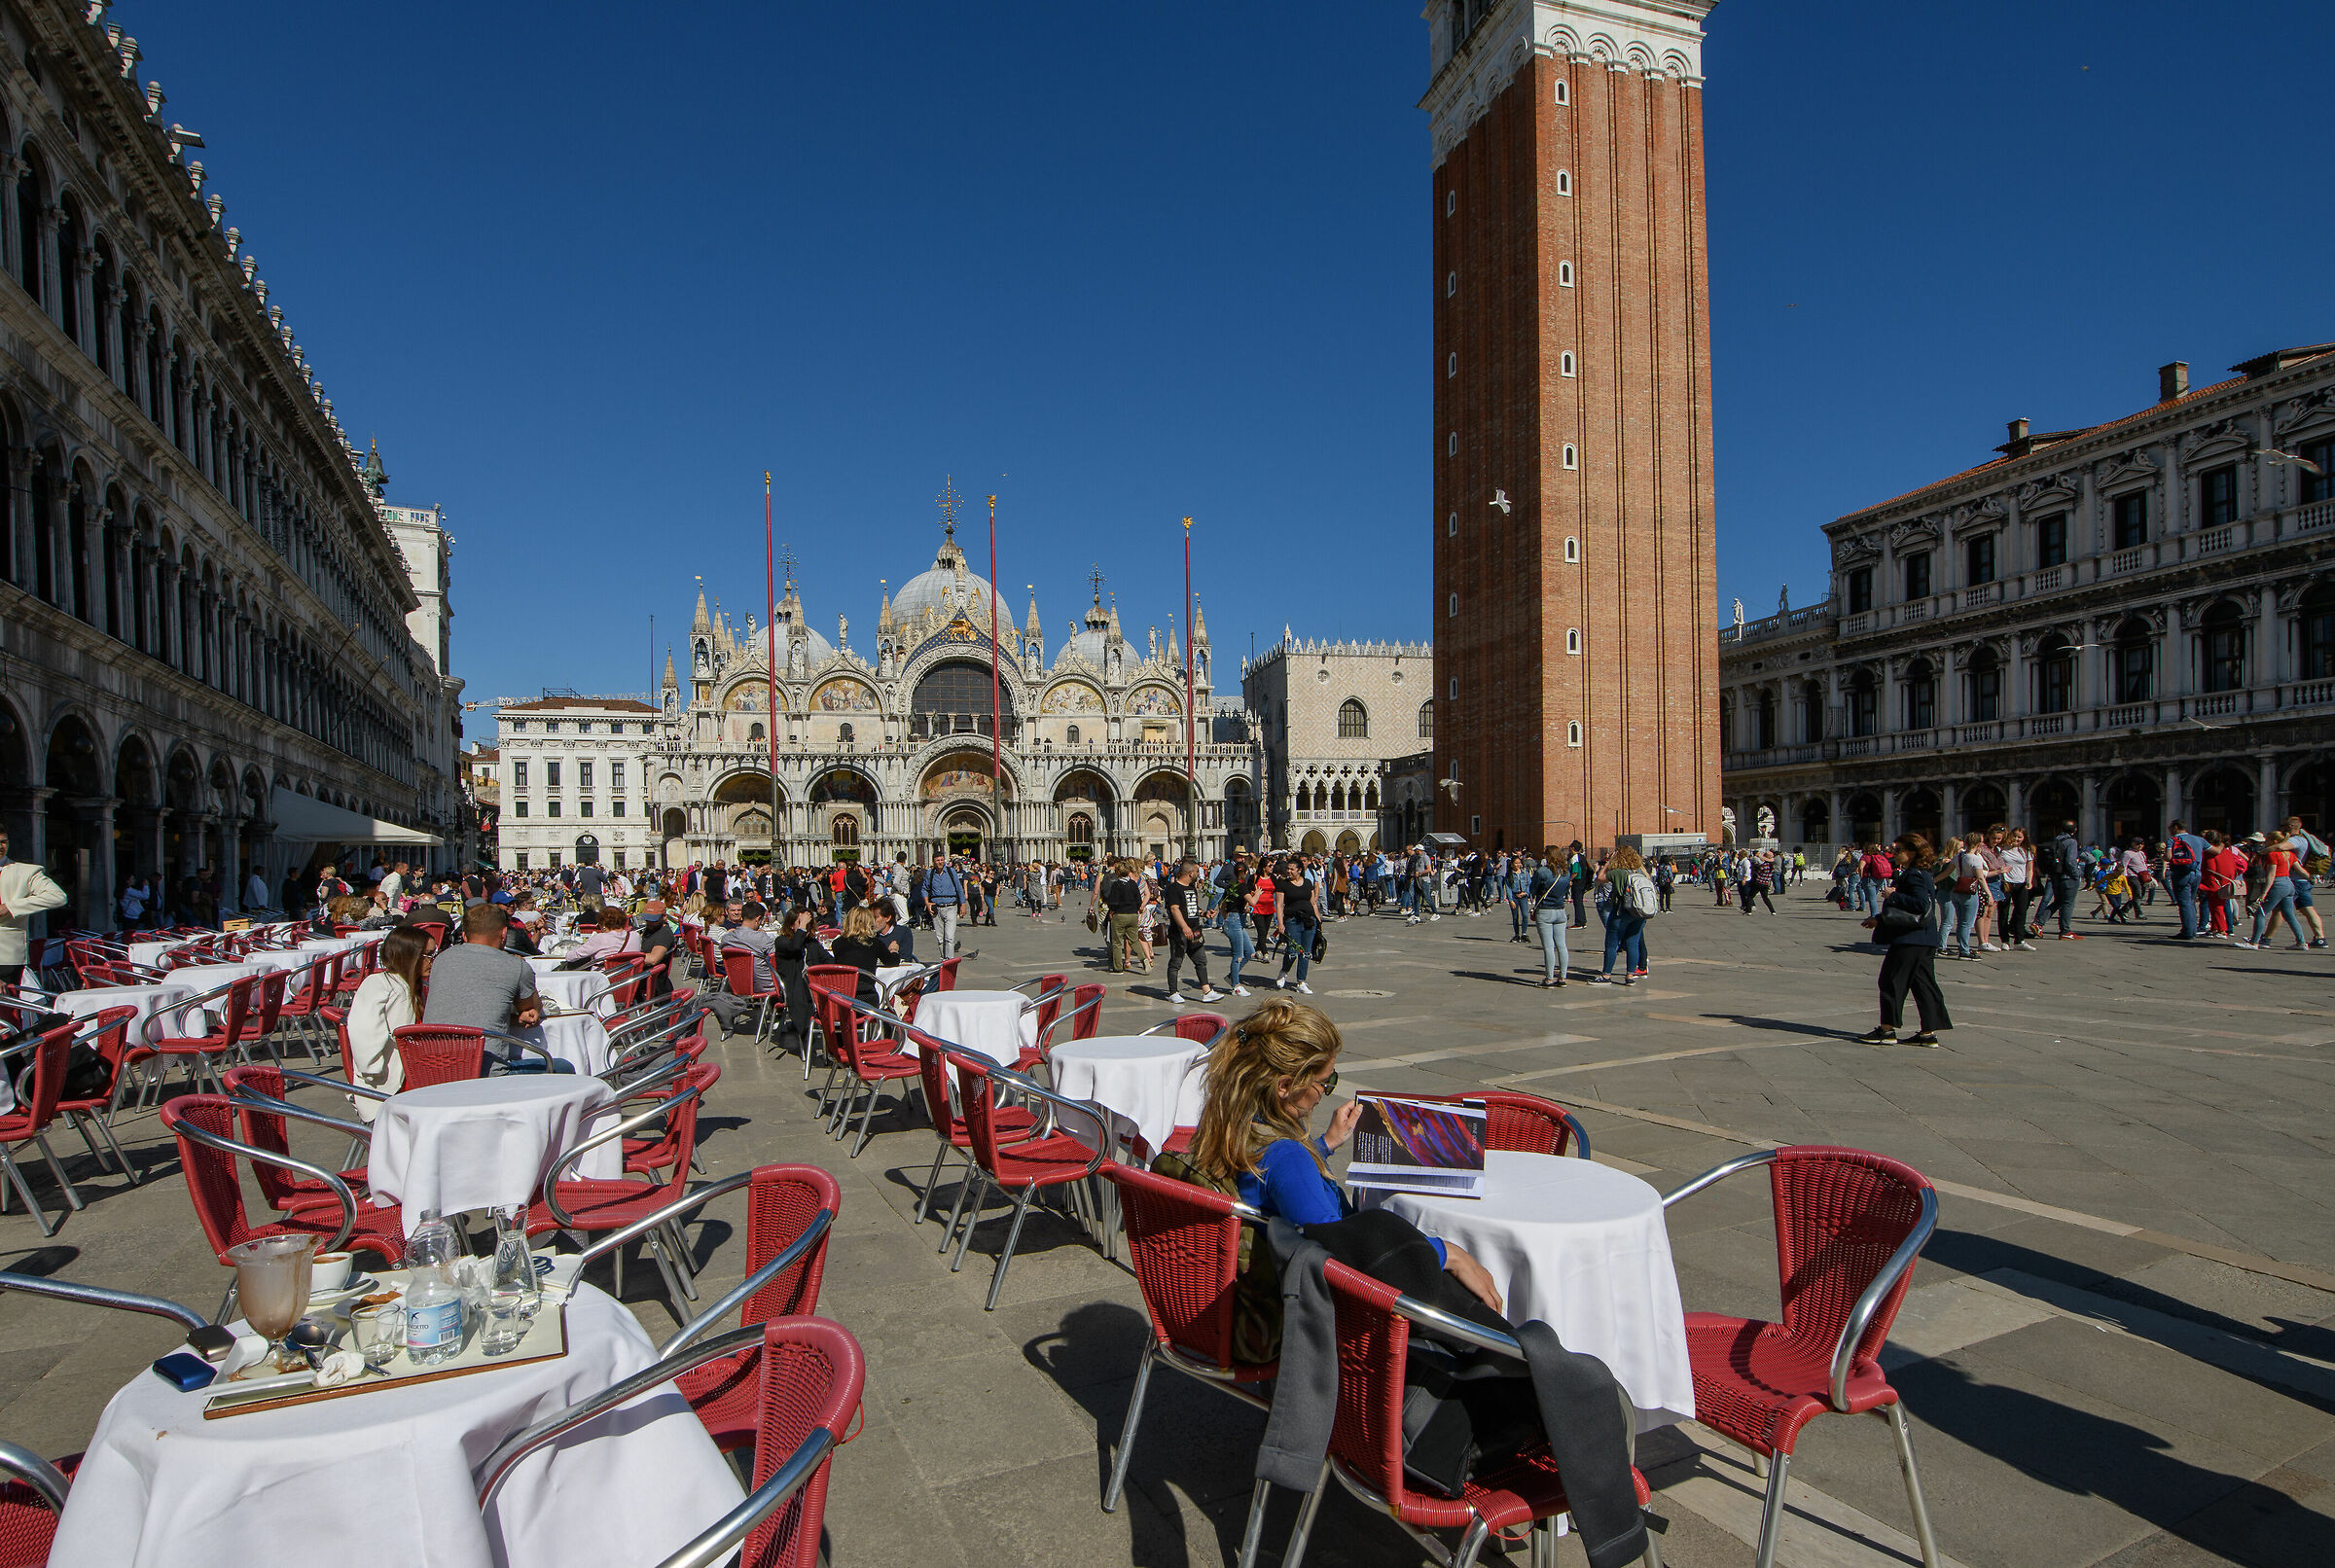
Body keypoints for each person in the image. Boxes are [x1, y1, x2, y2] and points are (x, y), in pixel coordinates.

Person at [1186, 999, 1501, 1313]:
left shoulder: (1229, 1123)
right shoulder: (1284, 1155)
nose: (1326, 1092)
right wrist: (1446, 1253)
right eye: (1324, 1082)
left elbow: (1276, 1183)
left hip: (1245, 1294)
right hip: (1330, 1315)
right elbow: (1347, 1257)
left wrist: (1324, 1145)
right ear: (1284, 1085)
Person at [420, 905, 544, 1070]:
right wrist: (524, 971)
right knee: (564, 1067)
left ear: (464, 935)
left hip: (434, 1069)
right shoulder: (515, 966)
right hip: (485, 1072)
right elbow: (531, 1010)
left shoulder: (441, 960)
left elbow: (465, 1008)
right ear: (504, 934)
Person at [1859, 833, 1951, 1047]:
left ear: (1912, 852)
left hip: (1911, 940)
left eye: (1899, 850)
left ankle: (1887, 1030)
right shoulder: (1921, 873)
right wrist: (1879, 919)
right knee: (1923, 985)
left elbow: (1920, 906)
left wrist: (1893, 895)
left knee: (1890, 980)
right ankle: (1928, 1034)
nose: (1894, 853)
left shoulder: (1915, 875)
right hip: (1924, 938)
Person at [345, 925, 433, 1118]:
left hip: (417, 1075)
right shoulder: (379, 983)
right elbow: (364, 1032)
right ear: (409, 955)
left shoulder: (417, 986)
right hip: (390, 1083)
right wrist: (374, 1070)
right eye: (427, 955)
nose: (431, 961)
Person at [0, 830, 66, 986]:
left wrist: (11, 906)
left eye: (3, 841)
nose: (0, 846)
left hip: (6, 954)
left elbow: (58, 897)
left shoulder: (26, 872)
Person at [709, 902, 780, 1037]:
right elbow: (776, 956)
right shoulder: (761, 938)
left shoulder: (727, 938)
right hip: (764, 985)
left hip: (737, 985)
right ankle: (781, 1017)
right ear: (758, 919)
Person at [1163, 857, 1224, 1004]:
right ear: (1190, 873)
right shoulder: (1173, 889)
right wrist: (1184, 927)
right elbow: (1174, 909)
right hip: (1179, 933)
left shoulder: (1191, 888)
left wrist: (1204, 913)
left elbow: (1192, 907)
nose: (1199, 873)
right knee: (1176, 962)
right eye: (1197, 871)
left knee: (1201, 960)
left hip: (1195, 931)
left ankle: (1207, 991)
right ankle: (1173, 992)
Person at [2235, 834, 2310, 951]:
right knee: (2289, 915)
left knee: (2261, 912)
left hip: (2277, 884)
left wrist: (2264, 893)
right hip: (2289, 884)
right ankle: (2301, 942)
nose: (2265, 842)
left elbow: (2271, 875)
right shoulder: (2290, 854)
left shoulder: (2272, 855)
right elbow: (2300, 870)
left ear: (2274, 841)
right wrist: (2310, 878)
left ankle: (2254, 942)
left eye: (2268, 839)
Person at [1591, 845, 1649, 983]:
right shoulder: (1641, 872)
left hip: (1621, 912)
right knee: (1633, 943)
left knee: (1612, 943)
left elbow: (1600, 877)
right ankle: (1629, 976)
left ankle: (1606, 975)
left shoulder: (1619, 872)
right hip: (1639, 913)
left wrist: (1608, 863)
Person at [826, 904, 898, 1005]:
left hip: (843, 996)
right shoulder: (874, 943)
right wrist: (894, 950)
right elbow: (892, 962)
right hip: (866, 995)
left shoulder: (837, 943)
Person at [1273, 854, 1323, 995]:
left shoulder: (1307, 883)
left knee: (1306, 952)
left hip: (1309, 920)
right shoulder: (1283, 884)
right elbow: (1280, 905)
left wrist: (1318, 919)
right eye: (1288, 869)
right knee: (1292, 951)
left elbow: (1312, 902)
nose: (1289, 871)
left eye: (1292, 869)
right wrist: (1280, 923)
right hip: (1292, 920)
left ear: (1299, 870)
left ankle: (1301, 981)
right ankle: (1284, 971)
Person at [1530, 845, 1572, 988]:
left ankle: (1549, 979)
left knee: (1548, 947)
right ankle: (1562, 977)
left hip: (1545, 911)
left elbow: (1533, 889)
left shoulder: (1542, 871)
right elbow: (1566, 890)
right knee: (1562, 946)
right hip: (1560, 910)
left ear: (1549, 856)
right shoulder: (1566, 872)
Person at [1217, 853, 1257, 997]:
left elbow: (1223, 905)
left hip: (1235, 920)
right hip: (1234, 922)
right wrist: (1257, 893)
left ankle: (1231, 977)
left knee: (1250, 952)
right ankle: (1236, 986)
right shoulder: (1240, 886)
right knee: (1238, 956)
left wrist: (1226, 918)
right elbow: (1253, 902)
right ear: (1245, 873)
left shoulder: (1232, 887)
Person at [2166, 819, 2209, 939]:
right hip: (2196, 873)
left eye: (2170, 827)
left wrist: (2164, 856)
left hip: (2181, 873)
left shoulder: (2173, 840)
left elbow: (2168, 856)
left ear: (2175, 828)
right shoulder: (2199, 839)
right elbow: (2215, 851)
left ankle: (2188, 932)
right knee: (2191, 902)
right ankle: (2192, 930)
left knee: (2184, 903)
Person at [1100, 858, 1143, 973]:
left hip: (1120, 915)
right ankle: (1145, 961)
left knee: (1117, 942)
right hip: (1133, 915)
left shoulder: (1117, 885)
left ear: (1118, 872)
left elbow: (1113, 902)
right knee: (1134, 940)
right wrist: (1135, 909)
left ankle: (1118, 968)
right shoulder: (1133, 884)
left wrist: (1112, 911)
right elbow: (1139, 900)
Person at [2045, 821, 2084, 939]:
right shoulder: (2071, 842)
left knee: (2058, 901)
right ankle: (2065, 931)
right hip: (2068, 877)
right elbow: (2070, 861)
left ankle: (2038, 923)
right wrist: (2077, 875)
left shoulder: (2056, 839)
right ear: (2075, 830)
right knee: (2068, 903)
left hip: (2055, 876)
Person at [925, 852, 964, 960]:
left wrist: (963, 904)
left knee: (949, 937)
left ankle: (949, 960)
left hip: (951, 906)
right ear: (933, 861)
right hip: (936, 908)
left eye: (942, 860)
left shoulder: (951, 872)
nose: (940, 862)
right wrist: (927, 903)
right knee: (940, 938)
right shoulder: (930, 873)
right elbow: (924, 889)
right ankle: (944, 959)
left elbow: (959, 888)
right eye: (937, 860)